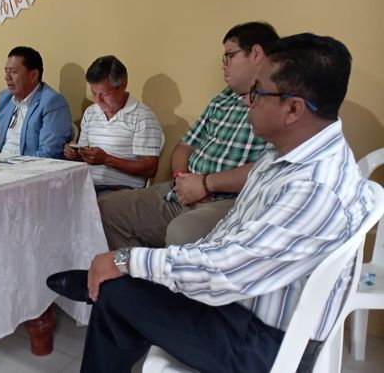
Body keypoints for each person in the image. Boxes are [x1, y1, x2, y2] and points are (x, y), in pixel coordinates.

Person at [48, 33, 372, 373]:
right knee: (122, 293)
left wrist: (124, 259)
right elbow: (233, 239)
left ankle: (105, 288)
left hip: (263, 342)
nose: (247, 102)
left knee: (117, 293)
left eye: (258, 92)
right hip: (245, 305)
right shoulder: (288, 154)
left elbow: (228, 270)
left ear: (293, 109)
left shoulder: (314, 187)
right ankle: (110, 290)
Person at [98, 22, 278, 249]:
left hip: (230, 199)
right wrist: (182, 178)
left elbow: (268, 168)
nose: (224, 65)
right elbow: (184, 146)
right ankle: (135, 269)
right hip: (183, 189)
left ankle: (159, 268)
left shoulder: (277, 104)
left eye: (229, 56)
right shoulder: (222, 99)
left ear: (256, 53)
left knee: (182, 231)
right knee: (105, 209)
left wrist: (205, 184)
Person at [64, 55, 162, 194]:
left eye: (104, 94)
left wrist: (107, 159)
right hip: (87, 184)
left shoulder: (143, 116)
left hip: (121, 189)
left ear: (122, 86)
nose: (98, 100)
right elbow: (85, 156)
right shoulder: (91, 112)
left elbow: (150, 169)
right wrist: (75, 154)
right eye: (94, 93)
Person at [0, 46, 72, 158]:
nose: (7, 77)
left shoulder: (52, 102)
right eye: (6, 71)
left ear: (33, 75)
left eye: (14, 72)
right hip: (0, 162)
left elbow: (49, 153)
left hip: (30, 166)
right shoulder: (4, 98)